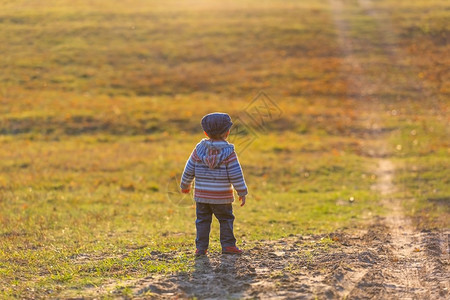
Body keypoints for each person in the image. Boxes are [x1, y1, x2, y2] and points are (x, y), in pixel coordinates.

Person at [180, 112, 248, 256]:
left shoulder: (198, 150)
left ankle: (201, 248)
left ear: (205, 132)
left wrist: (185, 185)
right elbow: (236, 174)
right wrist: (242, 191)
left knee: (202, 221)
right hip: (222, 197)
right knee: (226, 219)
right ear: (227, 132)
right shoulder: (229, 152)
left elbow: (189, 168)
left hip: (202, 196)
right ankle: (228, 245)